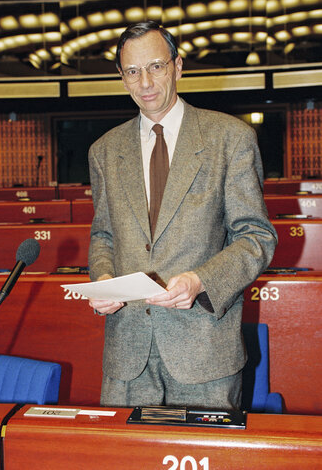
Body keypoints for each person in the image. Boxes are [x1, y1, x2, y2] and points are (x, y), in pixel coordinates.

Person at [87, 21, 277, 409]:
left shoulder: (230, 138)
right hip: (127, 353)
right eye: (133, 72)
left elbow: (256, 237)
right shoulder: (103, 151)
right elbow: (103, 236)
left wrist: (200, 280)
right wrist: (103, 278)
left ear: (178, 66)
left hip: (204, 350)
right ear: (122, 79)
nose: (145, 82)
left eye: (155, 66)